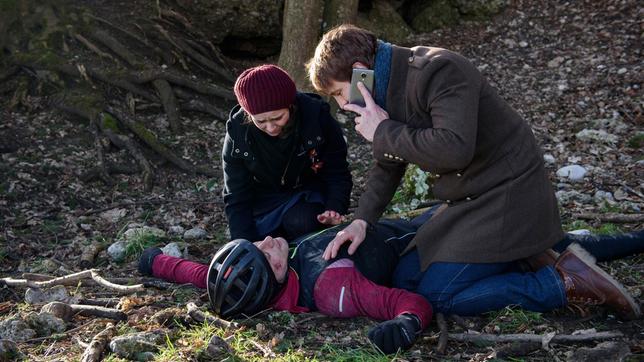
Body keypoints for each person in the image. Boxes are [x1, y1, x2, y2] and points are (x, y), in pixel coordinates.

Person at [305, 25, 641, 319]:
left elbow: (454, 148)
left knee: (438, 295)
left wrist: (383, 131)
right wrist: (362, 221)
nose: (340, 104)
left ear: (361, 70)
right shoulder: (386, 85)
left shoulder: (438, 70)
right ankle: (527, 256)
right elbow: (390, 160)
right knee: (407, 278)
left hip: (509, 194)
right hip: (468, 200)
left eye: (338, 92)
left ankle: (560, 283)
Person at [139, 208, 643, 354]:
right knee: (454, 292)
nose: (269, 240)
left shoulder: (268, 276)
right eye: (264, 250)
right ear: (271, 275)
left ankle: (608, 248)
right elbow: (407, 303)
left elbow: (200, 274)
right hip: (436, 250)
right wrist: (403, 325)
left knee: (539, 238)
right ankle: (557, 282)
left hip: (422, 227)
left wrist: (156, 263)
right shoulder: (333, 287)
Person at [223, 64, 352, 242]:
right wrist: (243, 242)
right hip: (264, 200)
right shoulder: (238, 133)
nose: (270, 127)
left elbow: (337, 171)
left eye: (277, 118)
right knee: (260, 238)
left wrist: (334, 207)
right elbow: (236, 193)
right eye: (260, 121)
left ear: (290, 106)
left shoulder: (317, 118)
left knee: (302, 223)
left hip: (307, 193)